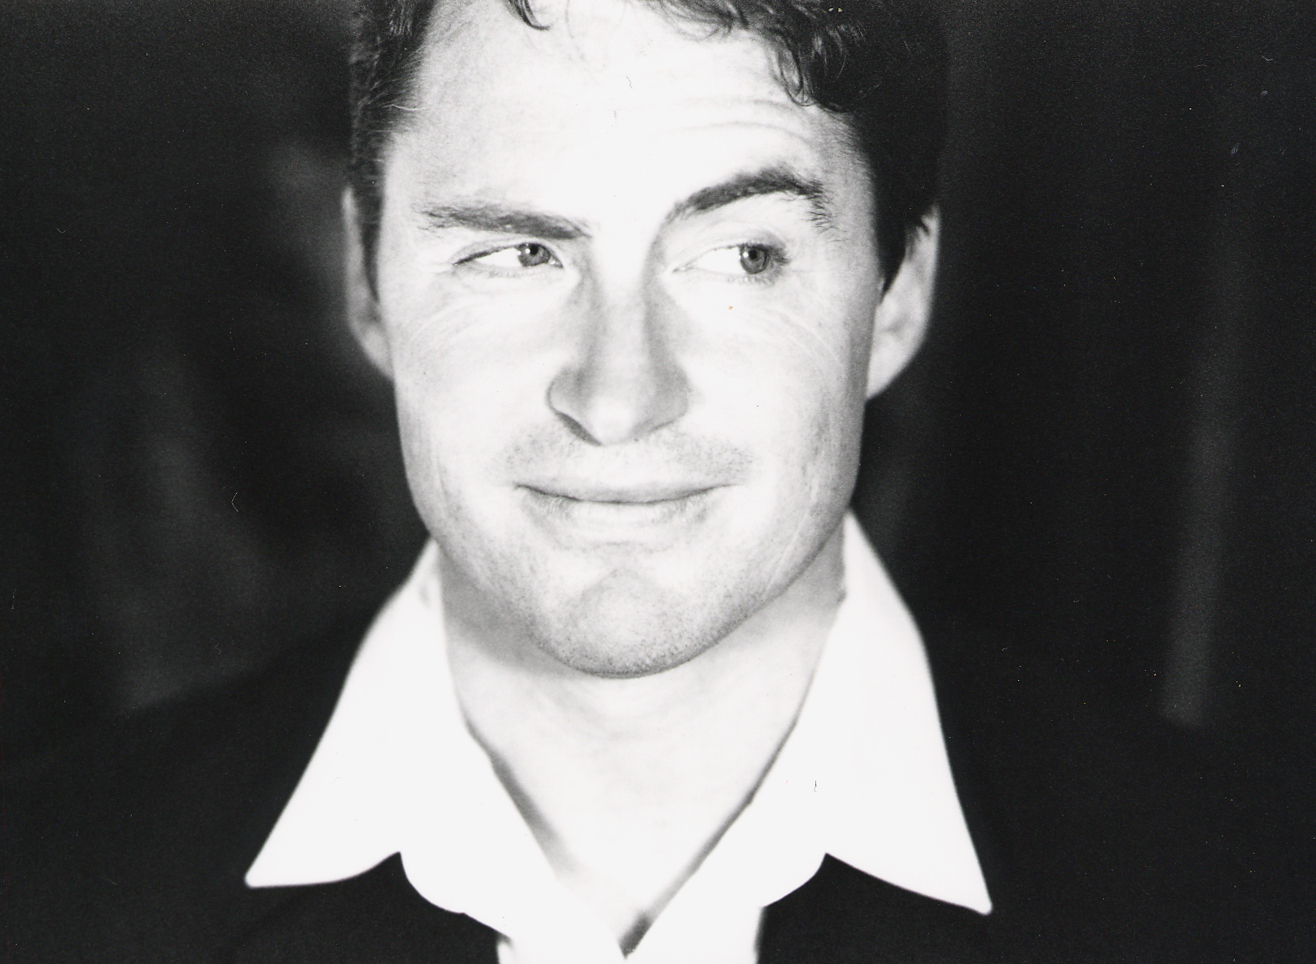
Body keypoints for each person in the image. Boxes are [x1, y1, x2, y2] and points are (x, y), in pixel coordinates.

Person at [4, 0, 1223, 961]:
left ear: (895, 296)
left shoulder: (1245, 895)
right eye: (518, 252)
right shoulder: (42, 891)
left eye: (742, 255)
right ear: (366, 283)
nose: (618, 395)